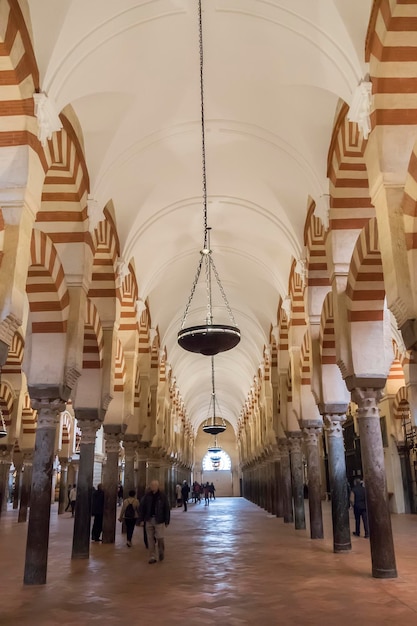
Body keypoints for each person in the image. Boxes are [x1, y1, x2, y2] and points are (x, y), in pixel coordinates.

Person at [138, 480, 170, 564]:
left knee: (160, 537)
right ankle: (152, 556)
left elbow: (167, 508)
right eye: (151, 485)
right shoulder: (147, 496)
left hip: (159, 519)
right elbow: (142, 508)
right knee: (150, 539)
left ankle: (161, 551)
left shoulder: (162, 496)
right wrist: (141, 520)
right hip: (149, 519)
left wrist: (167, 520)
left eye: (154, 485)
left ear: (157, 486)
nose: (152, 487)